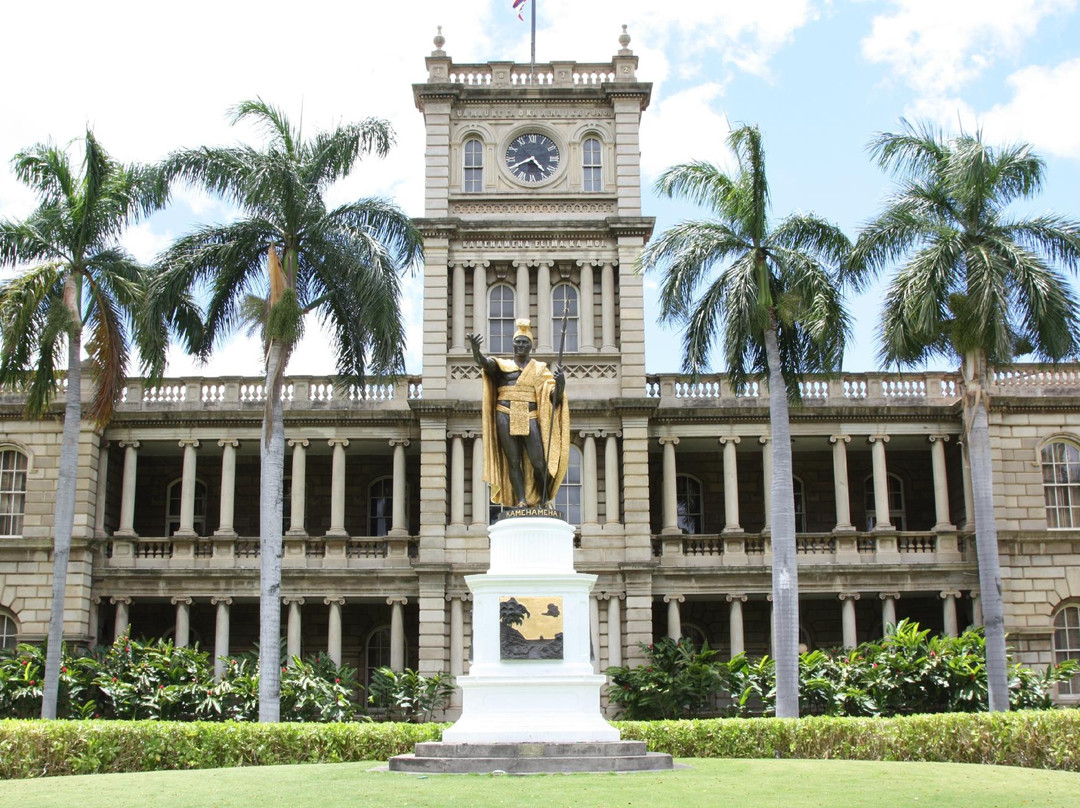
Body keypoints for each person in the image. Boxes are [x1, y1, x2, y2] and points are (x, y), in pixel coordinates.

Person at [468, 319, 570, 509]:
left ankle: (544, 500)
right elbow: (485, 363)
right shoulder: (503, 365)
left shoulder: (539, 369)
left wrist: (561, 383)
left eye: (524, 342)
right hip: (505, 413)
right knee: (513, 461)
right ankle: (521, 500)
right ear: (513, 344)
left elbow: (553, 397)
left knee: (539, 462)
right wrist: (476, 350)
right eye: (518, 342)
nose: (521, 345)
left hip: (530, 415)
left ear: (531, 346)